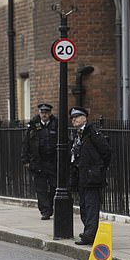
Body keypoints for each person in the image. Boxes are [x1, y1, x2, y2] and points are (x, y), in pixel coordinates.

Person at [68, 106, 111, 245]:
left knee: (91, 206)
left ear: (84, 118)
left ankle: (89, 235)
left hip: (92, 176)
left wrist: (98, 168)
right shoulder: (77, 135)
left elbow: (106, 151)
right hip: (81, 175)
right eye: (72, 118)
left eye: (77, 117)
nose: (74, 120)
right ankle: (89, 232)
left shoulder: (92, 132)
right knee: (84, 205)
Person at [21, 103, 58, 220]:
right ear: (39, 113)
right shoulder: (32, 125)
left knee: (54, 186)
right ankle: (45, 211)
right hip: (38, 161)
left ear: (50, 113)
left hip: (52, 161)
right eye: (42, 112)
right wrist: (25, 159)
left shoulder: (56, 124)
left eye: (46, 112)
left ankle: (50, 206)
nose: (44, 115)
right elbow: (25, 143)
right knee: (40, 188)